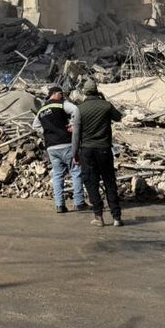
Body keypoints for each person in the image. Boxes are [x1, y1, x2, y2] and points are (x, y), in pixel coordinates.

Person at [74, 79, 124, 227]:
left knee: (91, 183)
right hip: (104, 149)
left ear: (84, 92)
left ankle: (99, 217)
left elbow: (76, 134)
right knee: (109, 182)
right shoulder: (106, 106)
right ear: (97, 90)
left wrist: (74, 152)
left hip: (87, 150)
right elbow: (119, 117)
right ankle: (116, 217)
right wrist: (105, 100)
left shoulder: (79, 109)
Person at [31, 86, 86, 213]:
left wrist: (47, 132)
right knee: (76, 171)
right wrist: (73, 124)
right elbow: (76, 110)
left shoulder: (42, 110)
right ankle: (79, 203)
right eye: (61, 94)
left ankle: (60, 205)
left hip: (51, 147)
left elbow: (35, 126)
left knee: (57, 175)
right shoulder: (61, 104)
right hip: (65, 143)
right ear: (55, 94)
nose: (63, 96)